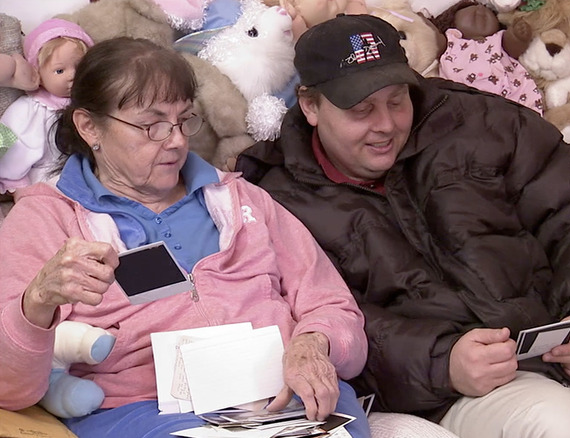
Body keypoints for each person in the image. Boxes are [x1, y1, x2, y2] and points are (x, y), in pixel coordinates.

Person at [235, 13, 570, 438]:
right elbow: (323, 321)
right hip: (472, 387)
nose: (385, 126)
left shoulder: (477, 121)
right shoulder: (274, 199)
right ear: (309, 105)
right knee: (555, 426)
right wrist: (442, 361)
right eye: (360, 111)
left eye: (396, 101)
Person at [0, 37, 369, 438]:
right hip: (146, 415)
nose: (176, 140)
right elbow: (10, 388)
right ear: (90, 127)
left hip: (288, 402)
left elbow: (334, 306)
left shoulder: (243, 200)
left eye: (184, 120)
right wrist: (35, 303)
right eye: (153, 125)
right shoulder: (46, 217)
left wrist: (316, 344)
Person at [0, 19, 93, 193]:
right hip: (44, 176)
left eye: (80, 67)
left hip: (86, 173)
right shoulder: (30, 109)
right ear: (38, 75)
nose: (72, 76)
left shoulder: (92, 103)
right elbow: (5, 138)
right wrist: (16, 184)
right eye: (59, 71)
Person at [432, 0, 544, 114]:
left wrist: (517, 36)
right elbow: (429, 38)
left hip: (512, 101)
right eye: (471, 9)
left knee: (524, 123)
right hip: (467, 105)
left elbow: (514, 48)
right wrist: (421, 23)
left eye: (488, 11)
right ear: (452, 21)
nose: (480, 8)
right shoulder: (451, 40)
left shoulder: (499, 39)